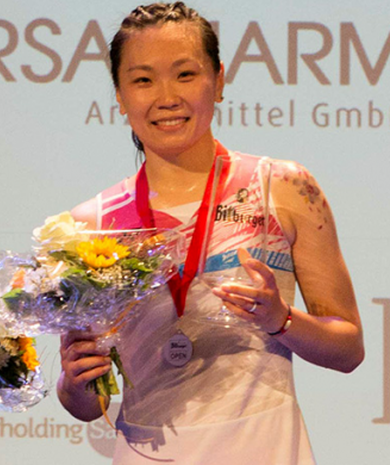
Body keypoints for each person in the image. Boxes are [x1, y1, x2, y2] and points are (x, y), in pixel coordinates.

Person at [56, 3, 364, 464]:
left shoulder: (282, 187)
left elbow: (349, 349)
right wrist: (75, 383)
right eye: (142, 80)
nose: (166, 97)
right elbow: (87, 404)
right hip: (145, 451)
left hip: (265, 445)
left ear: (219, 80)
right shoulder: (91, 224)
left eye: (185, 74)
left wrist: (281, 319)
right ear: (119, 97)